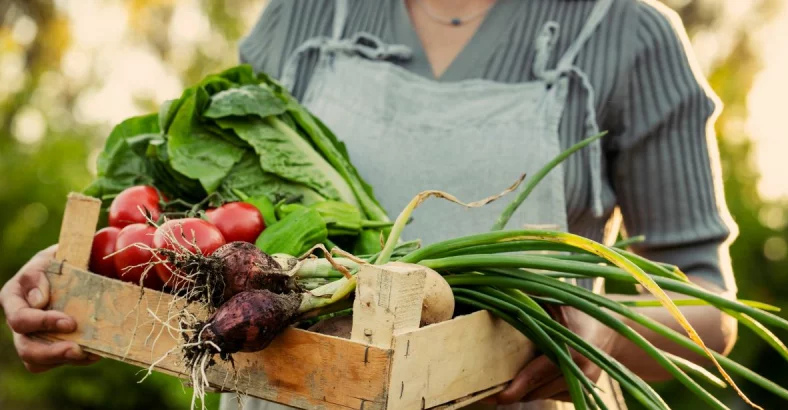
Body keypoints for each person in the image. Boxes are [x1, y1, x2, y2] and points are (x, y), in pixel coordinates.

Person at [1, 0, 741, 409]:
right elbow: (212, 231)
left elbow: (707, 304)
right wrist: (84, 270)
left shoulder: (627, 35)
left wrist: (605, 339)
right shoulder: (302, 18)